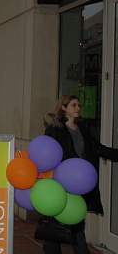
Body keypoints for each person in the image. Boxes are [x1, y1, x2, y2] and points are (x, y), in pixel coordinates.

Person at [41, 95, 118, 254]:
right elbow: (46, 155)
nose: (78, 108)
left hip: (79, 183)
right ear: (64, 108)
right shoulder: (55, 130)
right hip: (61, 184)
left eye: (78, 105)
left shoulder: (83, 129)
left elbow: (98, 148)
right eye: (73, 105)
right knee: (54, 226)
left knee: (77, 223)